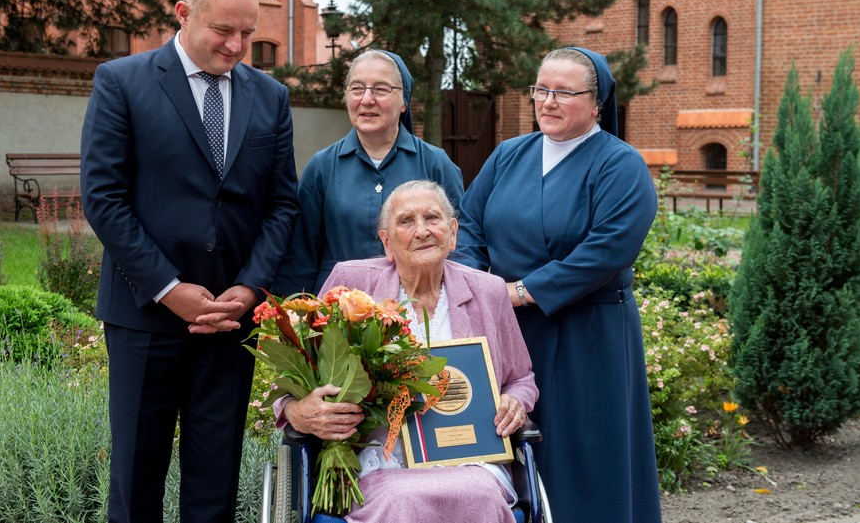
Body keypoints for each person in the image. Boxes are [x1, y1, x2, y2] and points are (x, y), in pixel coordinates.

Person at [80, 0, 299, 522]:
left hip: (229, 322)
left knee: (214, 487)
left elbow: (281, 205)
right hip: (145, 318)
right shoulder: (122, 82)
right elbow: (104, 198)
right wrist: (168, 288)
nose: (237, 46)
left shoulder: (271, 97)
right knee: (136, 481)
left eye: (247, 33)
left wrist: (250, 288)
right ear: (183, 13)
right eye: (223, 30)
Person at [454, 47, 662, 522]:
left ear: (596, 103)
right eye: (541, 89)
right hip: (509, 330)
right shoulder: (509, 154)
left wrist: (520, 292)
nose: (547, 101)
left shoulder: (621, 165)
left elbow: (606, 250)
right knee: (511, 447)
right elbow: (468, 224)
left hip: (587, 335)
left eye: (564, 92)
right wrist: (476, 284)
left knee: (584, 455)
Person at [275, 180, 538, 523]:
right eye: (406, 221)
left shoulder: (489, 291)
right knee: (400, 499)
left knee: (479, 493)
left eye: (432, 218)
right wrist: (298, 410)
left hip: (470, 458)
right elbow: (294, 373)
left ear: (453, 233)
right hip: (380, 460)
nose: (422, 231)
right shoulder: (351, 284)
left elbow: (521, 378)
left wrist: (515, 401)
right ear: (386, 242)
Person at [272, 50, 464, 296]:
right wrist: (293, 312)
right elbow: (300, 257)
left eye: (381, 89)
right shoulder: (322, 167)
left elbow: (459, 246)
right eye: (357, 88)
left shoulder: (435, 164)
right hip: (338, 309)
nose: (366, 99)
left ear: (404, 102)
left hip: (415, 306)